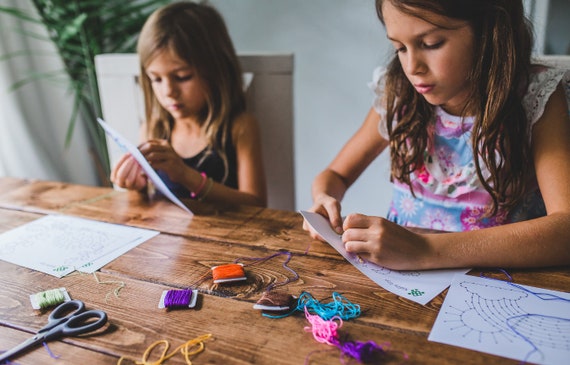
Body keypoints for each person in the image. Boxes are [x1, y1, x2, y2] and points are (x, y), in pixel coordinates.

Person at [304, 0, 570, 271]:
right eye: (400, 48)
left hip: (499, 282)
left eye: (431, 43)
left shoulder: (534, 96)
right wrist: (325, 198)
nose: (412, 67)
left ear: (489, 32)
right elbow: (336, 175)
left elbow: (565, 230)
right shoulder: (398, 94)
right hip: (401, 279)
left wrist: (425, 250)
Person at [110, 1, 267, 207]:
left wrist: (186, 175)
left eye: (183, 77)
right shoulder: (153, 129)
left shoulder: (240, 127)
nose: (168, 92)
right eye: (156, 79)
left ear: (215, 71)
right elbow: (146, 206)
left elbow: (257, 204)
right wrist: (135, 186)